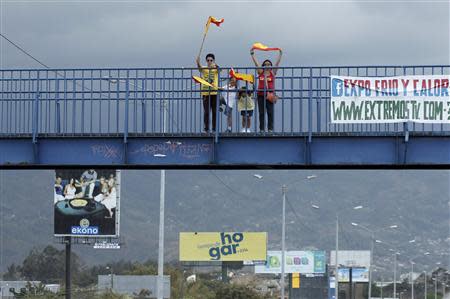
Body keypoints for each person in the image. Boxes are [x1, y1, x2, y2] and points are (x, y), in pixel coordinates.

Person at [250, 48, 283, 132]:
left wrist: (280, 54)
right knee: (261, 113)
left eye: (269, 64)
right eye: (265, 64)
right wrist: (252, 54)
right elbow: (256, 64)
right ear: (263, 65)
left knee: (270, 112)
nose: (267, 65)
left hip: (270, 95)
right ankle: (261, 129)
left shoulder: (272, 73)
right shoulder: (260, 72)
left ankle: (270, 129)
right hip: (260, 95)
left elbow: (277, 64)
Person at [196, 53, 219, 132]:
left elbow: (220, 69)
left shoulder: (215, 68)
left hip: (214, 93)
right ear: (206, 61)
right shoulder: (204, 68)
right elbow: (199, 68)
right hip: (205, 93)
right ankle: (206, 129)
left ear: (213, 61)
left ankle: (214, 129)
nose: (209, 61)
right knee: (206, 112)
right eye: (208, 60)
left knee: (215, 112)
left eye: (211, 60)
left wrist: (215, 65)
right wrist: (198, 62)